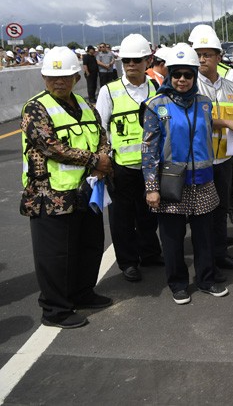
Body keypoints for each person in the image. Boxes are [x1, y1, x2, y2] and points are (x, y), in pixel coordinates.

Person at [20, 46, 114, 329]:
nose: (58, 82)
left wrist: (104, 155)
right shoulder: (35, 108)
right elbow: (49, 146)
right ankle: (55, 309)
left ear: (76, 77)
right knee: (56, 255)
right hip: (50, 195)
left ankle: (82, 292)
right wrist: (96, 159)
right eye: (51, 77)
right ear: (43, 77)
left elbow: (101, 136)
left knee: (89, 245)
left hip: (85, 191)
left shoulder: (86, 105)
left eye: (64, 77)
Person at [142, 43, 228, 305]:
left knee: (204, 237)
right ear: (169, 75)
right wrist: (151, 187)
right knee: (172, 239)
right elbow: (149, 150)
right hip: (171, 182)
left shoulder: (204, 103)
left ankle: (206, 279)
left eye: (187, 74)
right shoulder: (155, 105)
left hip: (202, 181)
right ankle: (178, 283)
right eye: (176, 74)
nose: (182, 80)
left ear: (194, 76)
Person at [96, 34, 163, 283]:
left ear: (148, 60)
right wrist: (104, 162)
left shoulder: (157, 87)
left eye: (136, 60)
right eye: (126, 61)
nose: (131, 65)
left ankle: (150, 253)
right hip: (121, 168)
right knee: (122, 218)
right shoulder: (109, 91)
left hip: (150, 166)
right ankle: (128, 262)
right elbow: (101, 128)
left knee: (149, 213)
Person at [193, 26, 233, 275]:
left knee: (221, 209)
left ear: (219, 57)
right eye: (200, 54)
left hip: (224, 157)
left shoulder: (229, 85)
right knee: (202, 214)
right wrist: (227, 123)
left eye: (208, 54)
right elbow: (193, 118)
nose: (203, 59)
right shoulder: (191, 85)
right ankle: (206, 263)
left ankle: (220, 254)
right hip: (201, 160)